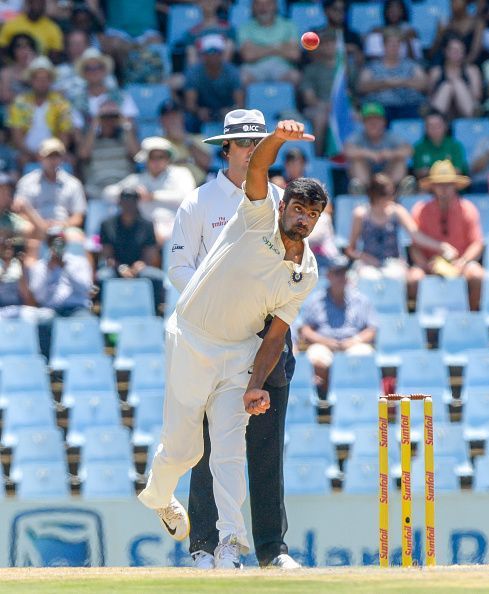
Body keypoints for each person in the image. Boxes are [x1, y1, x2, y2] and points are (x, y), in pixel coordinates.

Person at [139, 118, 326, 569]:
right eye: (297, 208)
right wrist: (277, 138)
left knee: (228, 450)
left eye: (311, 214)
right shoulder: (257, 210)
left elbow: (276, 334)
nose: (301, 217)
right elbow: (260, 170)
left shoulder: (306, 270)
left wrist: (255, 384)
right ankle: (158, 496)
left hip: (242, 349)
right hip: (193, 336)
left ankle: (230, 546)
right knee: (186, 449)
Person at [345, 173, 458, 296]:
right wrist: (366, 258)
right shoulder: (360, 214)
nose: (391, 198)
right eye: (386, 195)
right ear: (374, 195)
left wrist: (441, 247)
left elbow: (416, 235)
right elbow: (350, 250)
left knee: (394, 276)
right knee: (367, 277)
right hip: (368, 263)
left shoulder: (397, 211)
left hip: (393, 262)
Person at [298, 254, 377, 398]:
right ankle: (328, 395)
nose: (341, 277)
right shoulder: (316, 300)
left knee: (364, 354)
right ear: (328, 275)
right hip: (325, 343)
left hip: (352, 344)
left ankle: (354, 395)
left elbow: (371, 329)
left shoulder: (361, 299)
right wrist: (325, 341)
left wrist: (354, 341)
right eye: (337, 273)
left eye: (344, 273)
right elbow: (305, 329)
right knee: (315, 356)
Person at [411, 160, 484, 311]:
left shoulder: (468, 209)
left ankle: (471, 313)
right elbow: (414, 246)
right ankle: (419, 318)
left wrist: (462, 262)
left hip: (460, 264)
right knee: (413, 279)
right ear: (432, 187)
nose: (444, 189)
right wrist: (425, 266)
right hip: (429, 264)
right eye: (439, 184)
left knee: (477, 275)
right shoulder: (420, 210)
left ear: (455, 186)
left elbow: (477, 243)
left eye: (448, 184)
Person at [103, 136, 196, 245]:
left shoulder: (181, 174)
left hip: (177, 224)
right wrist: (132, 193)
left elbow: (188, 197)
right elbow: (107, 194)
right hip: (145, 229)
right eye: (153, 157)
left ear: (168, 158)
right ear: (146, 159)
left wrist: (152, 196)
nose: (157, 161)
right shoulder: (137, 179)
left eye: (161, 157)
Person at [28, 228, 92, 357]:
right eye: (53, 241)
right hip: (52, 310)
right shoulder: (40, 266)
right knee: (43, 321)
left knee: (86, 321)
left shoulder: (79, 262)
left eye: (60, 241)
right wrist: (49, 271)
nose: (57, 245)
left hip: (76, 308)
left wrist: (66, 267)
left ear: (66, 242)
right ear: (47, 244)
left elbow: (86, 289)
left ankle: (81, 360)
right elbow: (39, 297)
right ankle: (49, 363)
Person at [98, 188, 164, 307]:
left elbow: (150, 254)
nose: (128, 205)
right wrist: (121, 268)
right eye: (125, 201)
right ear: (119, 202)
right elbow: (107, 256)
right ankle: (102, 311)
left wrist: (138, 266)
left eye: (132, 201)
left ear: (137, 202)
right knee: (103, 277)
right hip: (115, 267)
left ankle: (156, 311)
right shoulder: (107, 224)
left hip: (140, 268)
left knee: (155, 277)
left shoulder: (147, 225)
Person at [7, 56, 73, 167]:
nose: (42, 82)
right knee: (21, 160)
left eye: (46, 79)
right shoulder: (20, 102)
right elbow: (17, 137)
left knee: (70, 161)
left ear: (51, 80)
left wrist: (53, 155)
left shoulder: (61, 103)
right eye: (38, 79)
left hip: (53, 152)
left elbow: (64, 136)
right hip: (26, 154)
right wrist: (33, 155)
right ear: (31, 80)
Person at [357, 27, 427, 122]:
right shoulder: (372, 66)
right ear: (384, 45)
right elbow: (362, 86)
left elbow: (423, 84)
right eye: (391, 44)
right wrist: (385, 83)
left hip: (408, 106)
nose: (394, 47)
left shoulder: (411, 65)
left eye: (397, 44)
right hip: (380, 107)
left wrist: (401, 82)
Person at [344, 101, 413, 194]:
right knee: (357, 161)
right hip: (367, 178)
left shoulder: (391, 136)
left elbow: (408, 150)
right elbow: (347, 151)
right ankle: (361, 193)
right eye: (369, 120)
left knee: (400, 161)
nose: (373, 123)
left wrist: (391, 154)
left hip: (388, 176)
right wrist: (368, 153)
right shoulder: (357, 136)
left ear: (383, 121)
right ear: (364, 123)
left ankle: (398, 193)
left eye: (377, 120)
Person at [78, 100, 138, 199]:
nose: (109, 121)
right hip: (97, 190)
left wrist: (125, 124)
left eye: (113, 117)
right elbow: (83, 154)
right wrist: (95, 124)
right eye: (105, 117)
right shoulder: (91, 141)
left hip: (123, 191)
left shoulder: (125, 139)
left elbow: (136, 154)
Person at [183, 34, 244, 132]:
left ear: (221, 54)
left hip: (228, 112)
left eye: (217, 52)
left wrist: (230, 112)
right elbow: (190, 104)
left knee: (241, 120)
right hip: (202, 114)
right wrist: (199, 111)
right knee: (188, 120)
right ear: (203, 55)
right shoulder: (194, 73)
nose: (213, 56)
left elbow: (240, 104)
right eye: (209, 52)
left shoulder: (232, 72)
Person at [238, 0, 300, 86]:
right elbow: (248, 56)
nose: (263, 8)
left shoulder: (289, 26)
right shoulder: (245, 28)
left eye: (268, 4)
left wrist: (258, 48)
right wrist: (278, 47)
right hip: (254, 68)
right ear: (252, 7)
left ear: (275, 6)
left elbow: (294, 54)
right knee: (242, 77)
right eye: (258, 4)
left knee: (294, 77)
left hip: (282, 67)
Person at [300, 27, 337, 156]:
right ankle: (319, 157)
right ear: (319, 47)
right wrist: (325, 106)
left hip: (341, 107)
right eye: (325, 43)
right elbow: (308, 98)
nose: (329, 47)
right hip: (318, 107)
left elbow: (352, 93)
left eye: (332, 43)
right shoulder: (311, 69)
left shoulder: (345, 68)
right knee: (320, 117)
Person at [429, 35, 482, 119]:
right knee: (447, 86)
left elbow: (477, 96)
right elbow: (431, 96)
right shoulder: (436, 71)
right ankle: (437, 121)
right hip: (444, 111)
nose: (457, 53)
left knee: (457, 83)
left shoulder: (472, 70)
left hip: (467, 109)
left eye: (460, 50)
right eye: (453, 50)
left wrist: (458, 87)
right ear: (445, 51)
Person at [159, 101, 211, 186]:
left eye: (175, 115)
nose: (172, 120)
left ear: (182, 117)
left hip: (198, 187)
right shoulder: (158, 142)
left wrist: (185, 139)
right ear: (161, 120)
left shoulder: (197, 138)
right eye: (168, 117)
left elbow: (207, 163)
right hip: (169, 187)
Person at [413, 109, 468, 180]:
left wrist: (431, 171)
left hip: (452, 185)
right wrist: (444, 171)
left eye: (438, 125)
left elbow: (458, 171)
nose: (434, 129)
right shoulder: (418, 147)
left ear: (445, 126)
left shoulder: (455, 145)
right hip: (428, 186)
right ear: (425, 128)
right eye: (430, 126)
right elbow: (418, 172)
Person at [0, 33, 38, 105]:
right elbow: (5, 97)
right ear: (13, 50)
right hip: (11, 112)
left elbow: (43, 93)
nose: (25, 51)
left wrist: (31, 68)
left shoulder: (38, 72)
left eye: (28, 47)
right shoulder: (5, 73)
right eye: (20, 47)